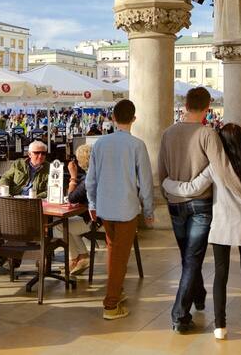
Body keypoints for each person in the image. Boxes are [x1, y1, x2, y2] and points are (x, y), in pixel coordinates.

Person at [158, 87, 241, 334]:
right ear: (206, 107)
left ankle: (199, 297)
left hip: (175, 201)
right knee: (193, 259)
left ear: (186, 105)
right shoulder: (207, 133)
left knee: (188, 257)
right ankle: (180, 314)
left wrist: (167, 193)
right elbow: (223, 168)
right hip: (200, 204)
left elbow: (161, 170)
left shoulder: (168, 133)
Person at [85, 100, 154, 320]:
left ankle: (117, 291)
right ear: (134, 119)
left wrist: (92, 204)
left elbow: (91, 180)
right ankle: (111, 305)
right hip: (126, 208)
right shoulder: (137, 145)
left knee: (113, 251)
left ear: (113, 118)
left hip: (105, 207)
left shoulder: (100, 144)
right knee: (120, 256)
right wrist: (149, 210)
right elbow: (145, 182)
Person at [63, 143, 94, 276]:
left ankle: (79, 257)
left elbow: (71, 198)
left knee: (59, 227)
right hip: (102, 218)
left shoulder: (88, 179)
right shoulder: (96, 173)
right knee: (68, 226)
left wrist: (73, 177)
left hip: (92, 220)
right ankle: (79, 258)